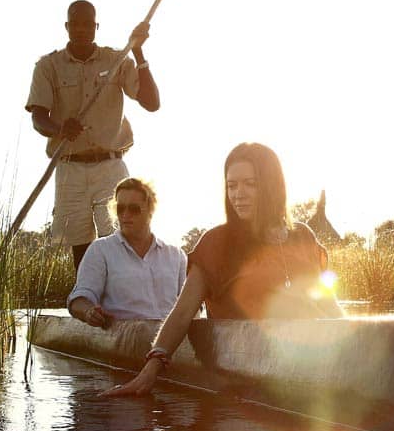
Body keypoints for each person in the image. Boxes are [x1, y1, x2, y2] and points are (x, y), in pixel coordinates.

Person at [102, 142, 341, 398]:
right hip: (241, 379)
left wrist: (359, 346)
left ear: (272, 185)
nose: (238, 193)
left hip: (302, 370)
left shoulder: (302, 236)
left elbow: (329, 306)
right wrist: (150, 370)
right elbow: (183, 312)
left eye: (250, 184)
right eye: (232, 185)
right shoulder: (216, 243)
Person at [26, 0, 161, 270]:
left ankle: (124, 300)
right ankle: (88, 304)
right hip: (70, 167)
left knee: (122, 235)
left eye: (88, 23)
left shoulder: (116, 60)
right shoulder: (48, 66)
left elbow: (151, 103)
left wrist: (138, 52)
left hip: (110, 165)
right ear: (67, 26)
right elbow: (38, 117)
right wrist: (60, 129)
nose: (82, 29)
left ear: (96, 26)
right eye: (75, 23)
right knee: (80, 247)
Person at [67, 178, 186, 327]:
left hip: (170, 342)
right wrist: (89, 312)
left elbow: (191, 309)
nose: (125, 215)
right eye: (120, 209)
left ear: (150, 210)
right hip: (122, 340)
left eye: (133, 209)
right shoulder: (100, 250)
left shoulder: (177, 255)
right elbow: (79, 299)